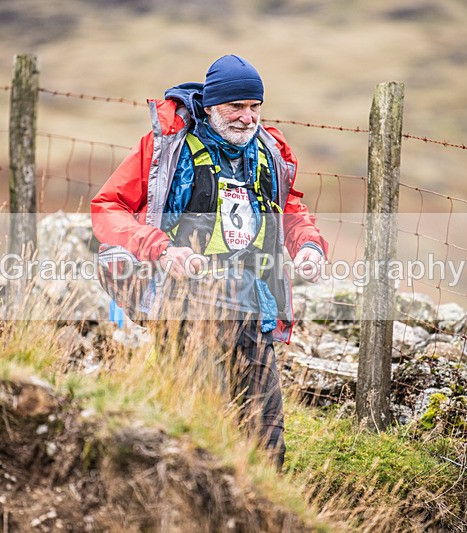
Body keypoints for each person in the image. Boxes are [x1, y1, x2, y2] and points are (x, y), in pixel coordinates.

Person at [90, 54, 328, 468]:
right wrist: (161, 248)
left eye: (255, 107)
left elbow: (290, 206)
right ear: (211, 106)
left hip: (253, 305)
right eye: (235, 107)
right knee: (194, 428)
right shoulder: (167, 147)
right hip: (183, 306)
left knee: (267, 438)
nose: (247, 117)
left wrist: (308, 244)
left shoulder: (268, 152)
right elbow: (108, 207)